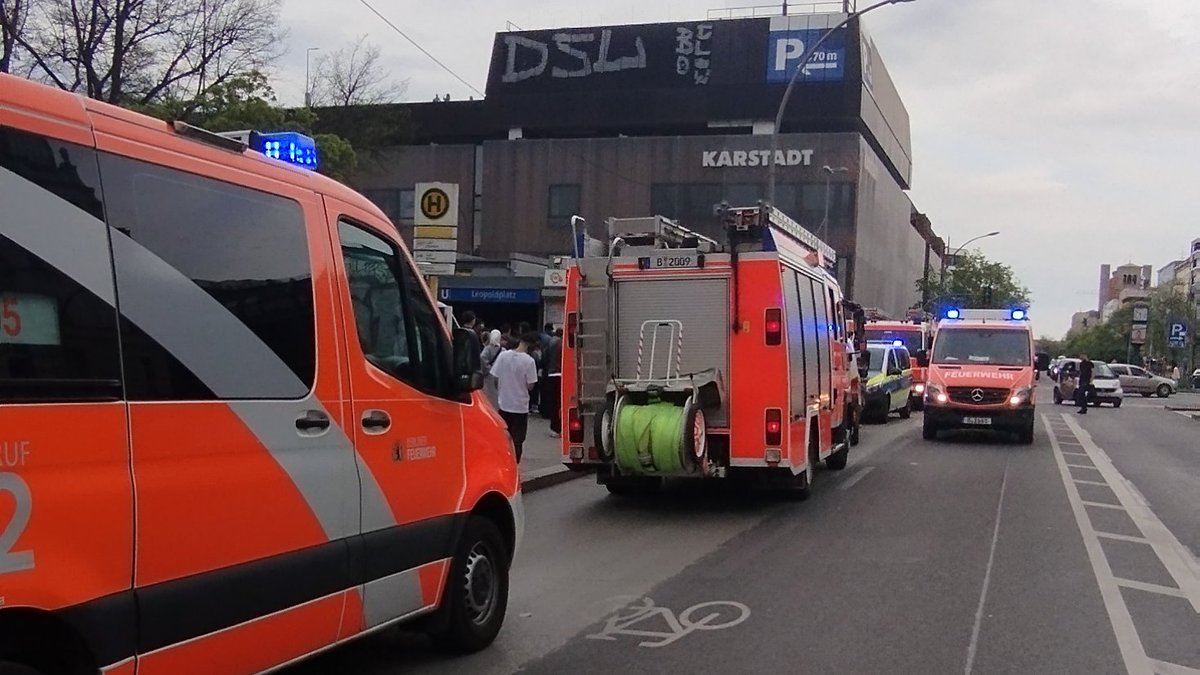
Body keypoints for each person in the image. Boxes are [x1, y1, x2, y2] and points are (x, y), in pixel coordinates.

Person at [489, 332, 539, 461]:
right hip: (520, 406)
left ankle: (501, 460)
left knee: (503, 436)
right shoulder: (529, 361)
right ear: (530, 345)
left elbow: (495, 377)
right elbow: (530, 385)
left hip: (504, 403)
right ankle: (514, 464)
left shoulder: (503, 356)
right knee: (518, 439)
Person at [544, 328, 563, 437]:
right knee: (561, 403)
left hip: (552, 374)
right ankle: (560, 426)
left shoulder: (551, 343)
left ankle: (555, 428)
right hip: (562, 374)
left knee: (554, 403)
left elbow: (545, 358)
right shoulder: (563, 344)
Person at [480, 329, 504, 409]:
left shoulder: (487, 349)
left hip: (489, 376)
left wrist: (488, 369)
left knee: (489, 395)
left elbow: (482, 359)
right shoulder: (503, 350)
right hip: (500, 376)